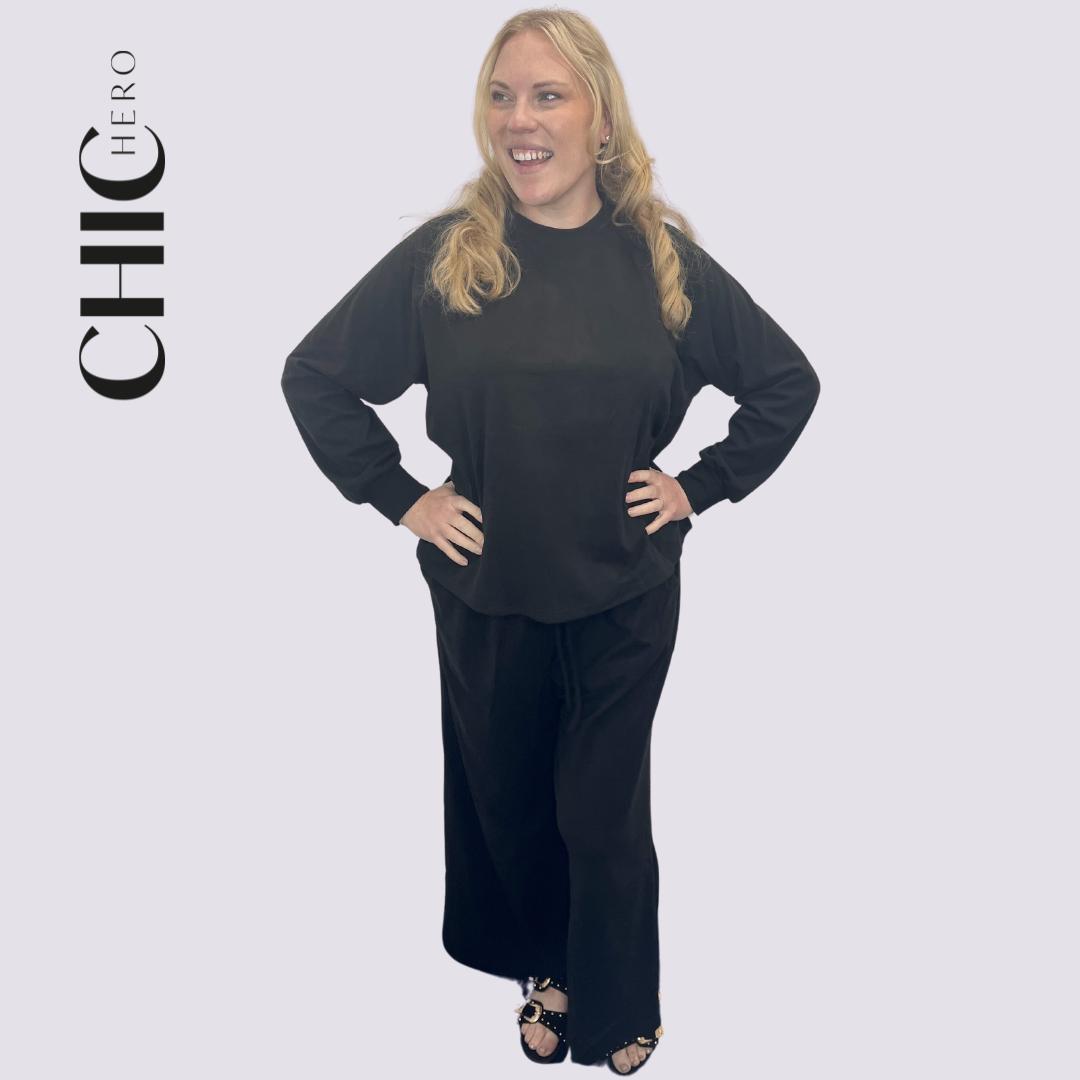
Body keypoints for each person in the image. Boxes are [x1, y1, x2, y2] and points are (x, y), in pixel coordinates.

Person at [280, 7, 820, 1074]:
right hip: (484, 588)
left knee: (602, 814)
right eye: (501, 97)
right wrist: (401, 497)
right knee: (513, 799)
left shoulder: (659, 262)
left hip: (623, 589)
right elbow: (315, 377)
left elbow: (785, 383)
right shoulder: (448, 258)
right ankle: (550, 970)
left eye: (546, 95)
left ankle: (624, 1000)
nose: (519, 120)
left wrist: (701, 485)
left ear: (600, 120)